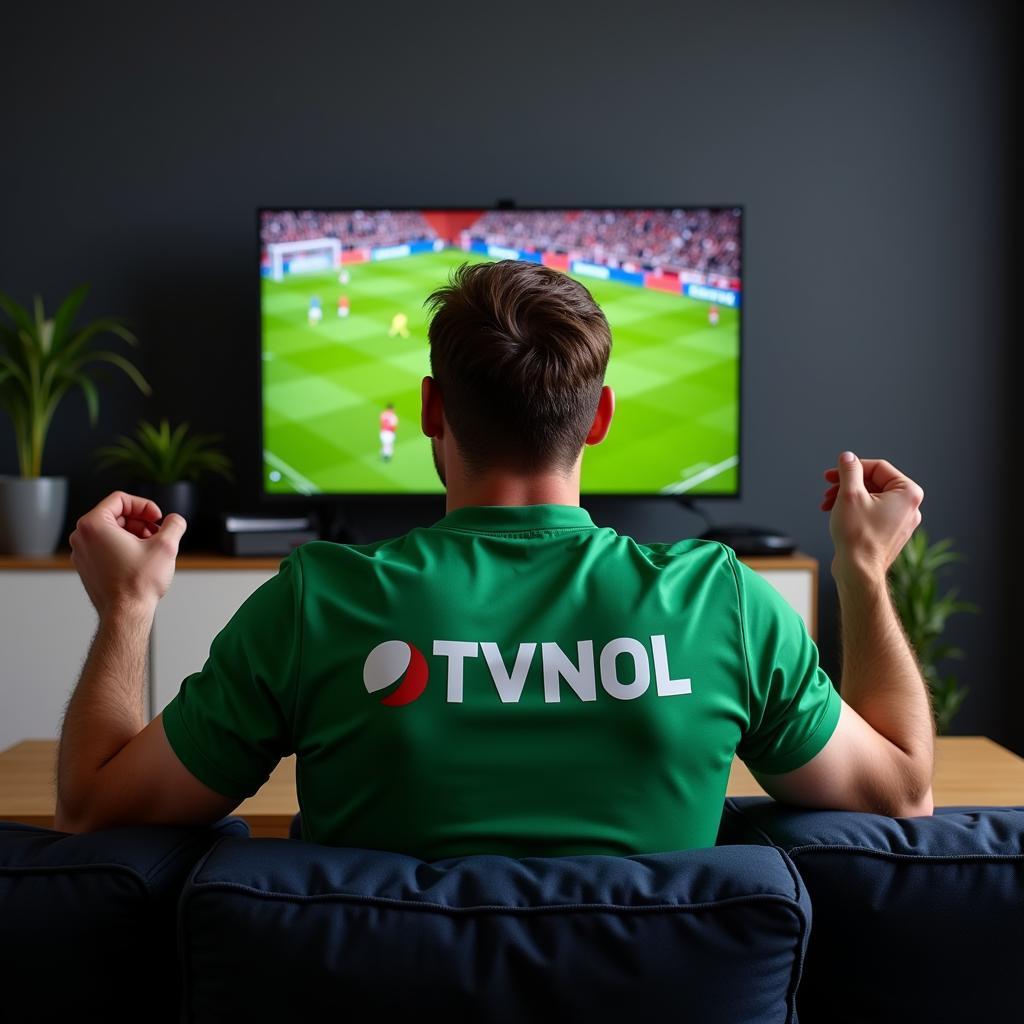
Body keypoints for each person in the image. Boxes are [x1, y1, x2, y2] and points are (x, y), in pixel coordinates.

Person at [55, 260, 933, 859]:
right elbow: (903, 793)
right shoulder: (725, 602)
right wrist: (861, 568)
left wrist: (127, 608)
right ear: (600, 419)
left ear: (432, 411)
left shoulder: (317, 600)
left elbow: (94, 812)